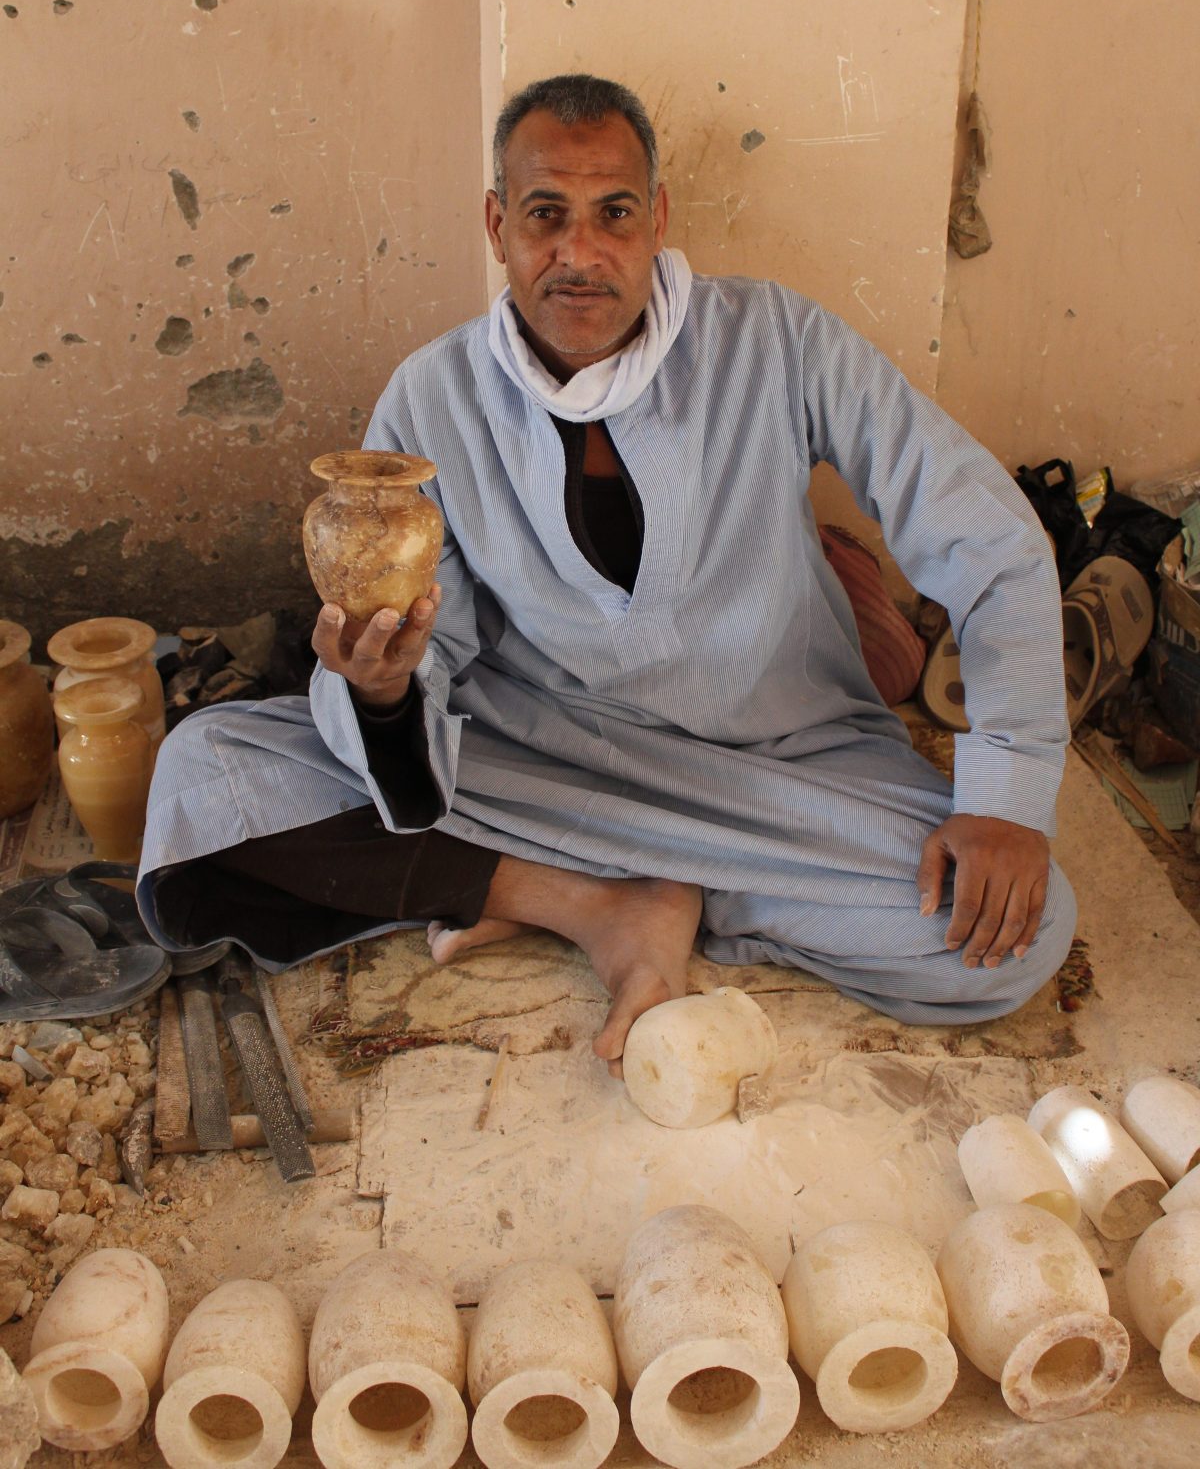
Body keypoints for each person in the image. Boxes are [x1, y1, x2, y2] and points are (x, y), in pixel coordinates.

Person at [137, 74, 1076, 1076]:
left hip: (786, 764)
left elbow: (986, 536)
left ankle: (581, 888)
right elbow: (429, 650)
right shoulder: (433, 398)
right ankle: (601, 905)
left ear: (658, 219)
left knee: (1013, 931)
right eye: (546, 214)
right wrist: (380, 689)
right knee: (202, 777)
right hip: (548, 753)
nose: (579, 254)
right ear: (498, 225)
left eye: (614, 214)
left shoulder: (778, 342)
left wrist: (1005, 800)